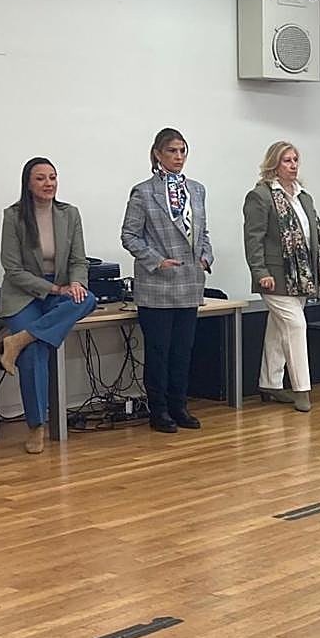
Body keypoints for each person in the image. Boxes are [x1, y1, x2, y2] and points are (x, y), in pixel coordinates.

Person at [0, 157, 97, 454]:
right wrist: (53, 288)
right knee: (35, 353)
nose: (48, 183)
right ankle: (36, 426)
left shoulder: (69, 214)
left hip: (62, 289)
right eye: (40, 178)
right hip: (24, 292)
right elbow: (13, 269)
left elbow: (79, 260)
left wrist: (77, 284)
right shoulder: (13, 216)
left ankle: (17, 340)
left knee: (89, 299)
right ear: (28, 183)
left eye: (52, 177)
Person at [121, 127, 214, 434]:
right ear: (158, 154)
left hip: (189, 281)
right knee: (159, 351)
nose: (178, 157)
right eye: (172, 151)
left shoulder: (196, 190)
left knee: (182, 350)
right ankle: (158, 410)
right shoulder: (143, 192)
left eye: (182, 151)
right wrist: (155, 260)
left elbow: (203, 232)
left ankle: (179, 405)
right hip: (157, 284)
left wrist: (206, 256)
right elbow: (129, 235)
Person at [243, 141, 320, 413]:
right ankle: (301, 390)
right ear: (274, 164)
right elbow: (253, 239)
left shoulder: (304, 196)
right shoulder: (260, 196)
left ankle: (270, 383)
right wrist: (260, 272)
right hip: (274, 276)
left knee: (277, 330)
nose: (293, 165)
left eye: (295, 160)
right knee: (295, 327)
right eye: (287, 160)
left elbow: (315, 236)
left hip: (302, 275)